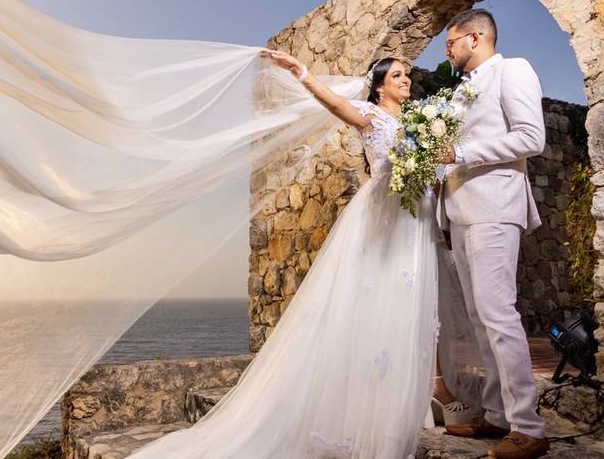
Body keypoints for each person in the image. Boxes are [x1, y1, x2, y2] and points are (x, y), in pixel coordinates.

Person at [123, 52, 458, 458]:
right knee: (377, 301)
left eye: (408, 74)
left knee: (415, 303)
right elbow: (335, 104)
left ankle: (423, 392)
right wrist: (303, 73)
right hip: (387, 214)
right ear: (381, 84)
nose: (407, 79)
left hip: (417, 217)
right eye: (399, 75)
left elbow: (442, 160)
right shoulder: (370, 115)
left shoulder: (421, 119)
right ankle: (370, 408)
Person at [437, 8, 550, 459]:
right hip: (461, 212)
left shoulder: (513, 70)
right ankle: (498, 415)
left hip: (494, 208)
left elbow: (531, 137)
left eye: (451, 42)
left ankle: (529, 427)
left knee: (498, 316)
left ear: (476, 37)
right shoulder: (460, 90)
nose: (446, 50)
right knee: (481, 320)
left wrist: (460, 150)